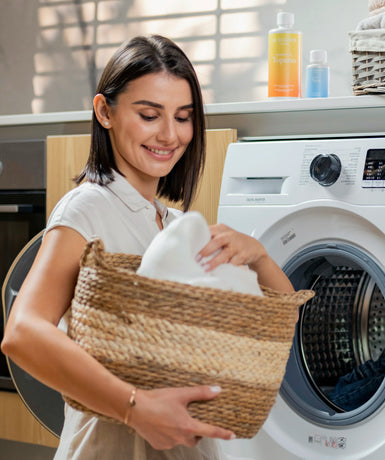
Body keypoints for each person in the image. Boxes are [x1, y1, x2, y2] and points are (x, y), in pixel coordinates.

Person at [1, 35, 293, 460]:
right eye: (150, 115)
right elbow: (22, 333)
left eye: (183, 117)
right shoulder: (89, 209)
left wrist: (259, 255)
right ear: (105, 112)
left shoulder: (176, 227)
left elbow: (277, 319)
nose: (170, 135)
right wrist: (136, 408)